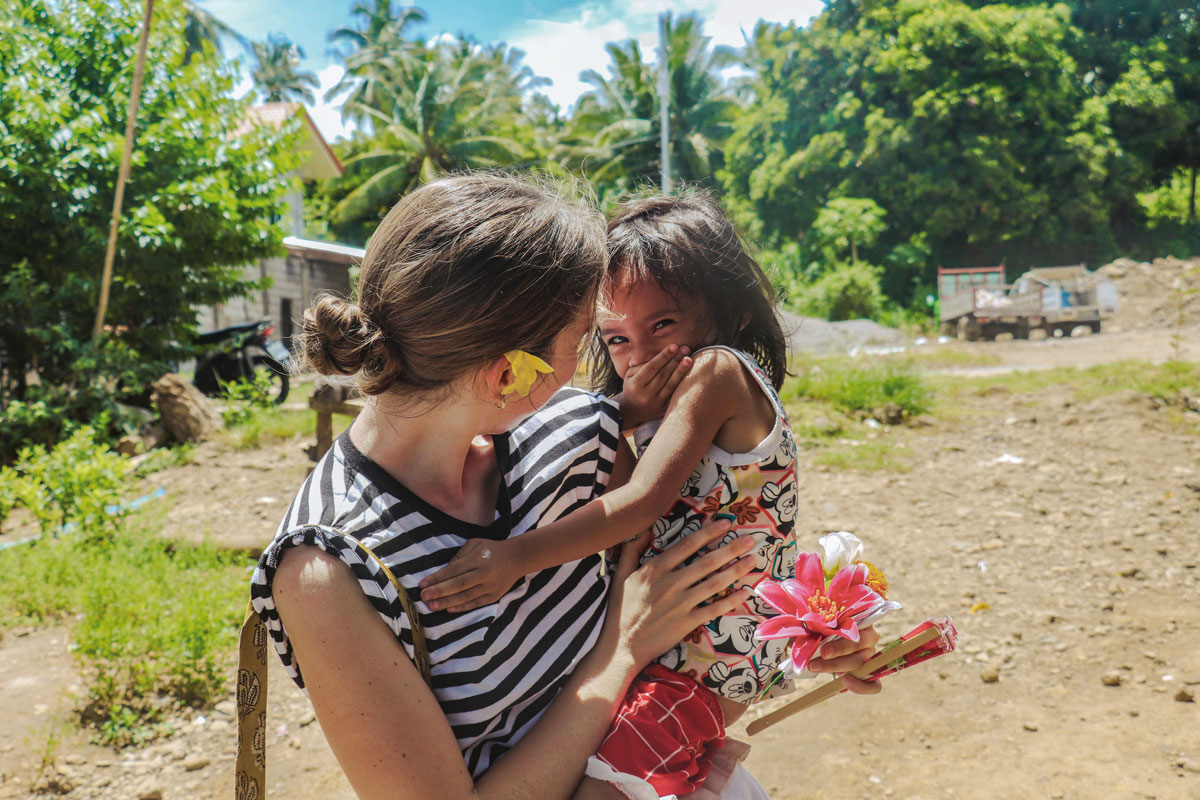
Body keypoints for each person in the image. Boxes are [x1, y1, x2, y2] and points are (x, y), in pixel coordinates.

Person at [247, 173, 853, 800]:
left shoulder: (582, 432)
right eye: (590, 339)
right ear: (513, 373)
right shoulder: (326, 571)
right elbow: (639, 619)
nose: (610, 365)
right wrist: (620, 648)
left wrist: (819, 634)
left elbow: (722, 527)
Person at [419, 189, 881, 800]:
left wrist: (514, 558)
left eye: (662, 324)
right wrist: (627, 413)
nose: (641, 354)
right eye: (615, 339)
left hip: (699, 667)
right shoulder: (653, 409)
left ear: (727, 311)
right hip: (690, 649)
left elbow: (642, 503)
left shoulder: (717, 372)